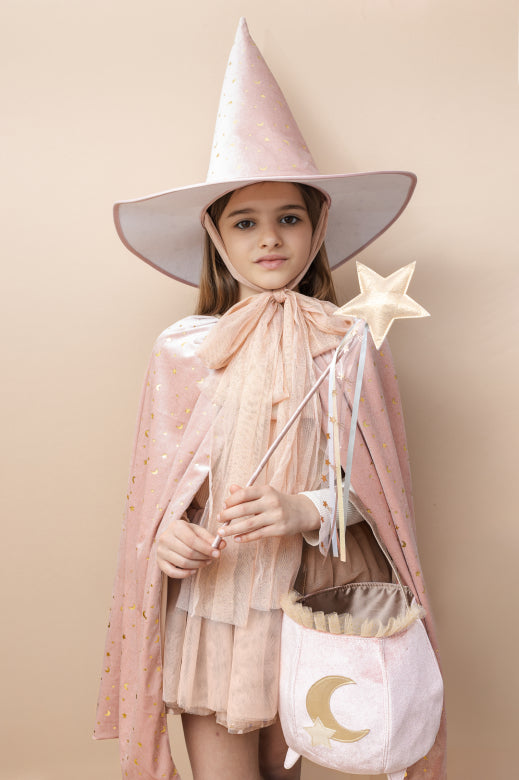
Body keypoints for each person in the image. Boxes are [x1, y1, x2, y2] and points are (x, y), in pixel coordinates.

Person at [94, 18, 446, 780]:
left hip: (306, 603)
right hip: (214, 603)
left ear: (317, 228)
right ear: (216, 236)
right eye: (245, 222)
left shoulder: (346, 344)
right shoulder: (183, 351)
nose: (269, 239)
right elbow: (160, 495)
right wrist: (167, 539)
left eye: (288, 218)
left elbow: (379, 494)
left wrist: (302, 510)